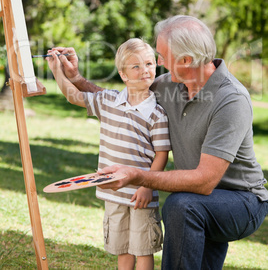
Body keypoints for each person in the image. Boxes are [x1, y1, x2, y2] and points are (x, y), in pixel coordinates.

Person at [52, 15, 268, 270]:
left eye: (162, 57)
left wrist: (138, 176)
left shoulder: (231, 100)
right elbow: (123, 101)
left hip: (241, 201)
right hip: (199, 199)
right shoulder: (169, 85)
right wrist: (76, 78)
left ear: (186, 60)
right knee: (189, 210)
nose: (159, 63)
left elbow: (205, 181)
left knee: (181, 206)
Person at [46, 38, 171, 270]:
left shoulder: (157, 113)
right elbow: (74, 96)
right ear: (123, 75)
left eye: (149, 64)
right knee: (122, 249)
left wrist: (147, 186)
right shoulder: (108, 101)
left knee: (143, 250)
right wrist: (57, 72)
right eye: (136, 66)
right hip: (113, 194)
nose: (145, 70)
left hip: (140, 196)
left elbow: (161, 155)